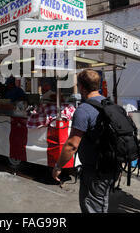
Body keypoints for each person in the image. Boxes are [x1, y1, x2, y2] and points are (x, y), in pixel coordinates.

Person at [52, 69, 115, 213]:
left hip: (95, 169)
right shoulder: (110, 105)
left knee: (92, 207)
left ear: (81, 87)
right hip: (112, 164)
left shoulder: (84, 110)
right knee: (101, 203)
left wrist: (58, 166)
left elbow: (72, 145)